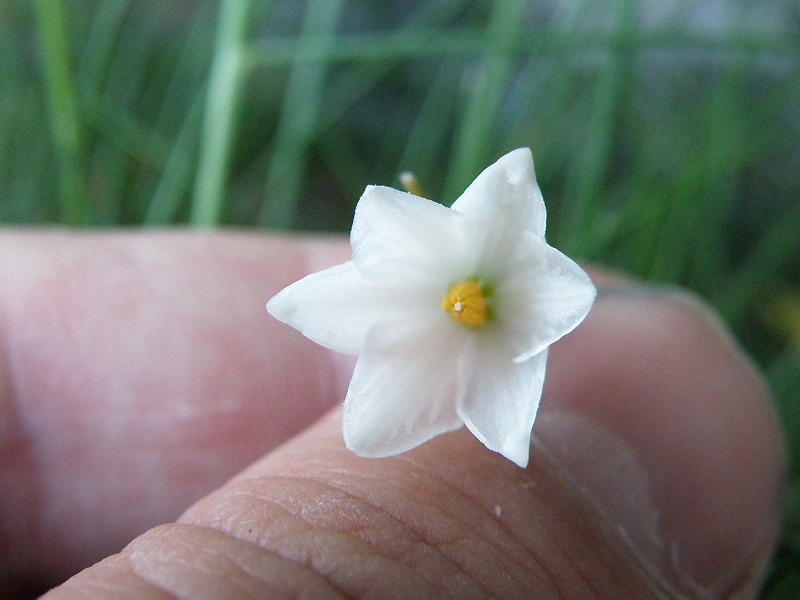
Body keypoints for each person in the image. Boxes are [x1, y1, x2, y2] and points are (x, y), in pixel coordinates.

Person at [0, 230, 784, 599]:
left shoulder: (525, 275)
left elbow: (564, 299)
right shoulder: (440, 296)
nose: (463, 301)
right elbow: (393, 424)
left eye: (466, 301)